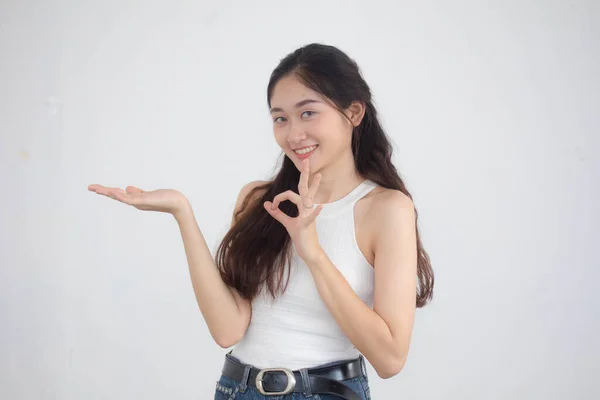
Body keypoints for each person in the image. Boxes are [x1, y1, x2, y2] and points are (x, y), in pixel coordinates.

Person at [88, 43, 434, 400]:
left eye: (308, 113)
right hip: (236, 389)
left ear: (355, 112)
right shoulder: (260, 200)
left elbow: (390, 358)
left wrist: (312, 252)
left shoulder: (386, 208)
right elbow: (227, 330)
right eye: (280, 118)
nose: (294, 134)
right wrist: (182, 213)